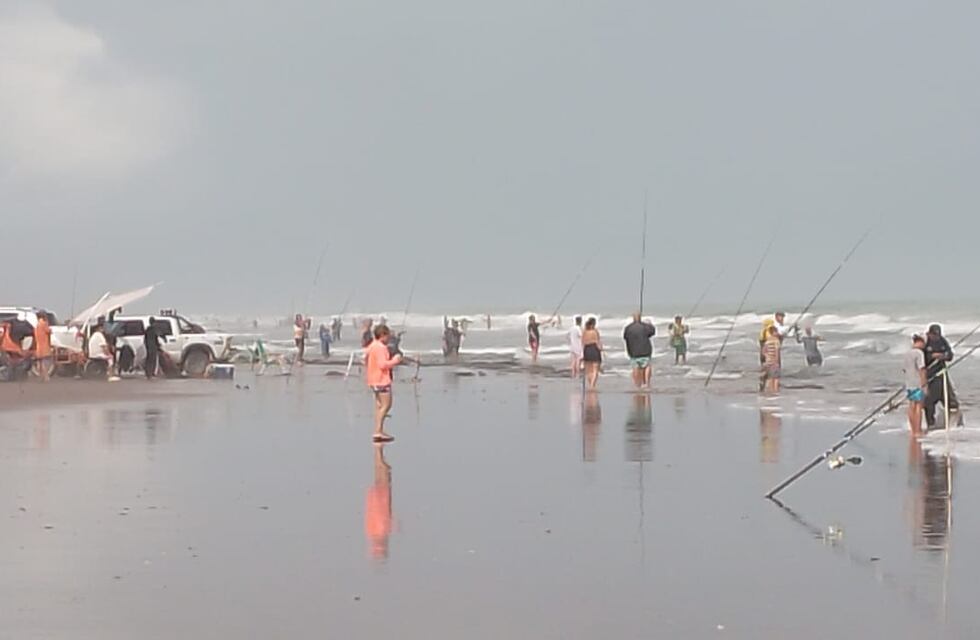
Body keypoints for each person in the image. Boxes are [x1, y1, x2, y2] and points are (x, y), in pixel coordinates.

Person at [364, 324, 403, 443]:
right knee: (386, 405)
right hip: (381, 380)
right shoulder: (380, 347)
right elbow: (383, 364)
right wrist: (395, 361)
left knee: (379, 407)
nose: (389, 339)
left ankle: (379, 430)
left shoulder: (372, 346)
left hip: (373, 379)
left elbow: (365, 358)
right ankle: (378, 431)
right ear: (382, 335)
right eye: (387, 336)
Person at [923, 324, 961, 429]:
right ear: (929, 333)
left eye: (937, 335)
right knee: (929, 401)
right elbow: (921, 358)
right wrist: (932, 356)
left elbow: (950, 355)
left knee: (951, 400)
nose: (936, 337)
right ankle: (930, 424)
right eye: (934, 335)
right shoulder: (925, 342)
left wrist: (944, 356)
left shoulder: (942, 341)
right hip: (930, 375)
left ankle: (955, 424)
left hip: (942, 374)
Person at [623, 313, 656, 389]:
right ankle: (647, 383)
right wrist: (650, 325)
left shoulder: (628, 328)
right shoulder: (645, 327)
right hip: (645, 350)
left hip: (633, 351)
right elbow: (652, 332)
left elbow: (625, 337)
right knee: (647, 366)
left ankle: (637, 384)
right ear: (640, 318)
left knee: (635, 368)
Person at [903, 334, 928, 436]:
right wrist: (924, 383)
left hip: (909, 382)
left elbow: (904, 369)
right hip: (917, 382)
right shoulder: (919, 353)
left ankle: (913, 429)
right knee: (919, 406)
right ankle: (918, 429)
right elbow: (922, 369)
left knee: (911, 405)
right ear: (920, 342)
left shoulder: (907, 353)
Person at [581, 317, 603, 389]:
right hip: (594, 349)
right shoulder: (595, 331)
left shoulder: (584, 331)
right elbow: (597, 341)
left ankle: (590, 383)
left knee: (588, 369)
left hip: (586, 349)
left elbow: (582, 342)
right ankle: (592, 385)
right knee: (595, 368)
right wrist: (601, 349)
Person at [761, 325, 781, 393]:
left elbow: (763, 351)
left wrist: (767, 357)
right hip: (774, 362)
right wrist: (777, 361)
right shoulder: (776, 341)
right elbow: (777, 351)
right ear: (773, 332)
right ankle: (775, 391)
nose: (777, 333)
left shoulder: (767, 341)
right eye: (776, 332)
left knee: (770, 378)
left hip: (768, 362)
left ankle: (770, 391)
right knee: (776, 378)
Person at [34, 312, 53, 382]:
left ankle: (41, 376)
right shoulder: (43, 324)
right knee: (45, 362)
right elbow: (49, 331)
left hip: (38, 346)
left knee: (40, 362)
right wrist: (47, 323)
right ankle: (46, 377)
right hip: (44, 346)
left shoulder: (37, 325)